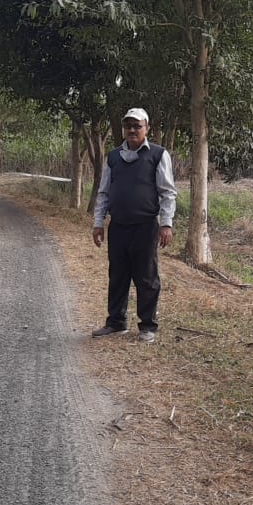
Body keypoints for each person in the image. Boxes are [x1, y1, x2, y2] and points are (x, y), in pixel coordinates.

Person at [91, 107, 178, 343]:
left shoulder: (158, 155)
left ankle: (147, 326)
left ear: (146, 128)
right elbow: (104, 192)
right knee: (118, 275)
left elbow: (168, 193)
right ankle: (116, 323)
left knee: (146, 277)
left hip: (145, 227)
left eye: (137, 126)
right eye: (128, 126)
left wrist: (166, 224)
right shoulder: (113, 157)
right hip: (118, 226)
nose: (132, 130)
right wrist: (98, 223)